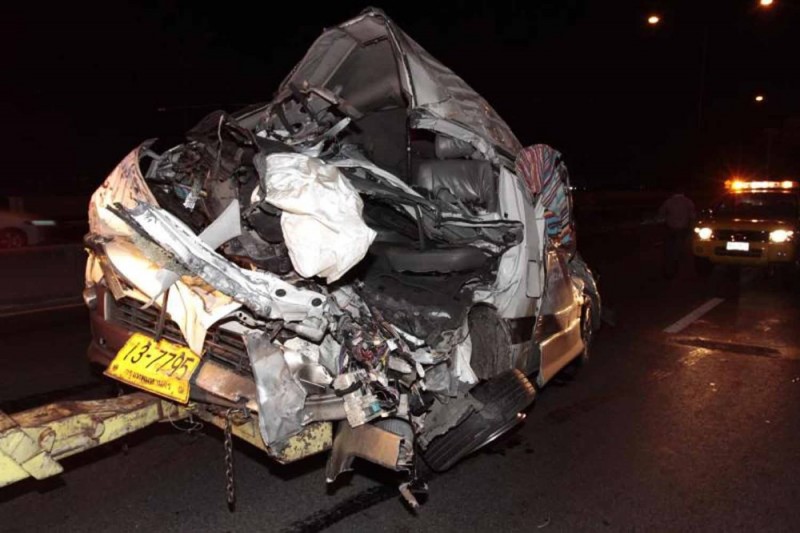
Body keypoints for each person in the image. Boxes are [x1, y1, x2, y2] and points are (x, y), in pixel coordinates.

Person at [658, 186, 696, 279]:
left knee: (670, 247)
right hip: (683, 227)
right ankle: (678, 262)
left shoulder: (669, 201)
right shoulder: (688, 201)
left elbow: (661, 212)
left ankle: (670, 264)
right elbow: (693, 215)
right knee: (681, 245)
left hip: (671, 227)